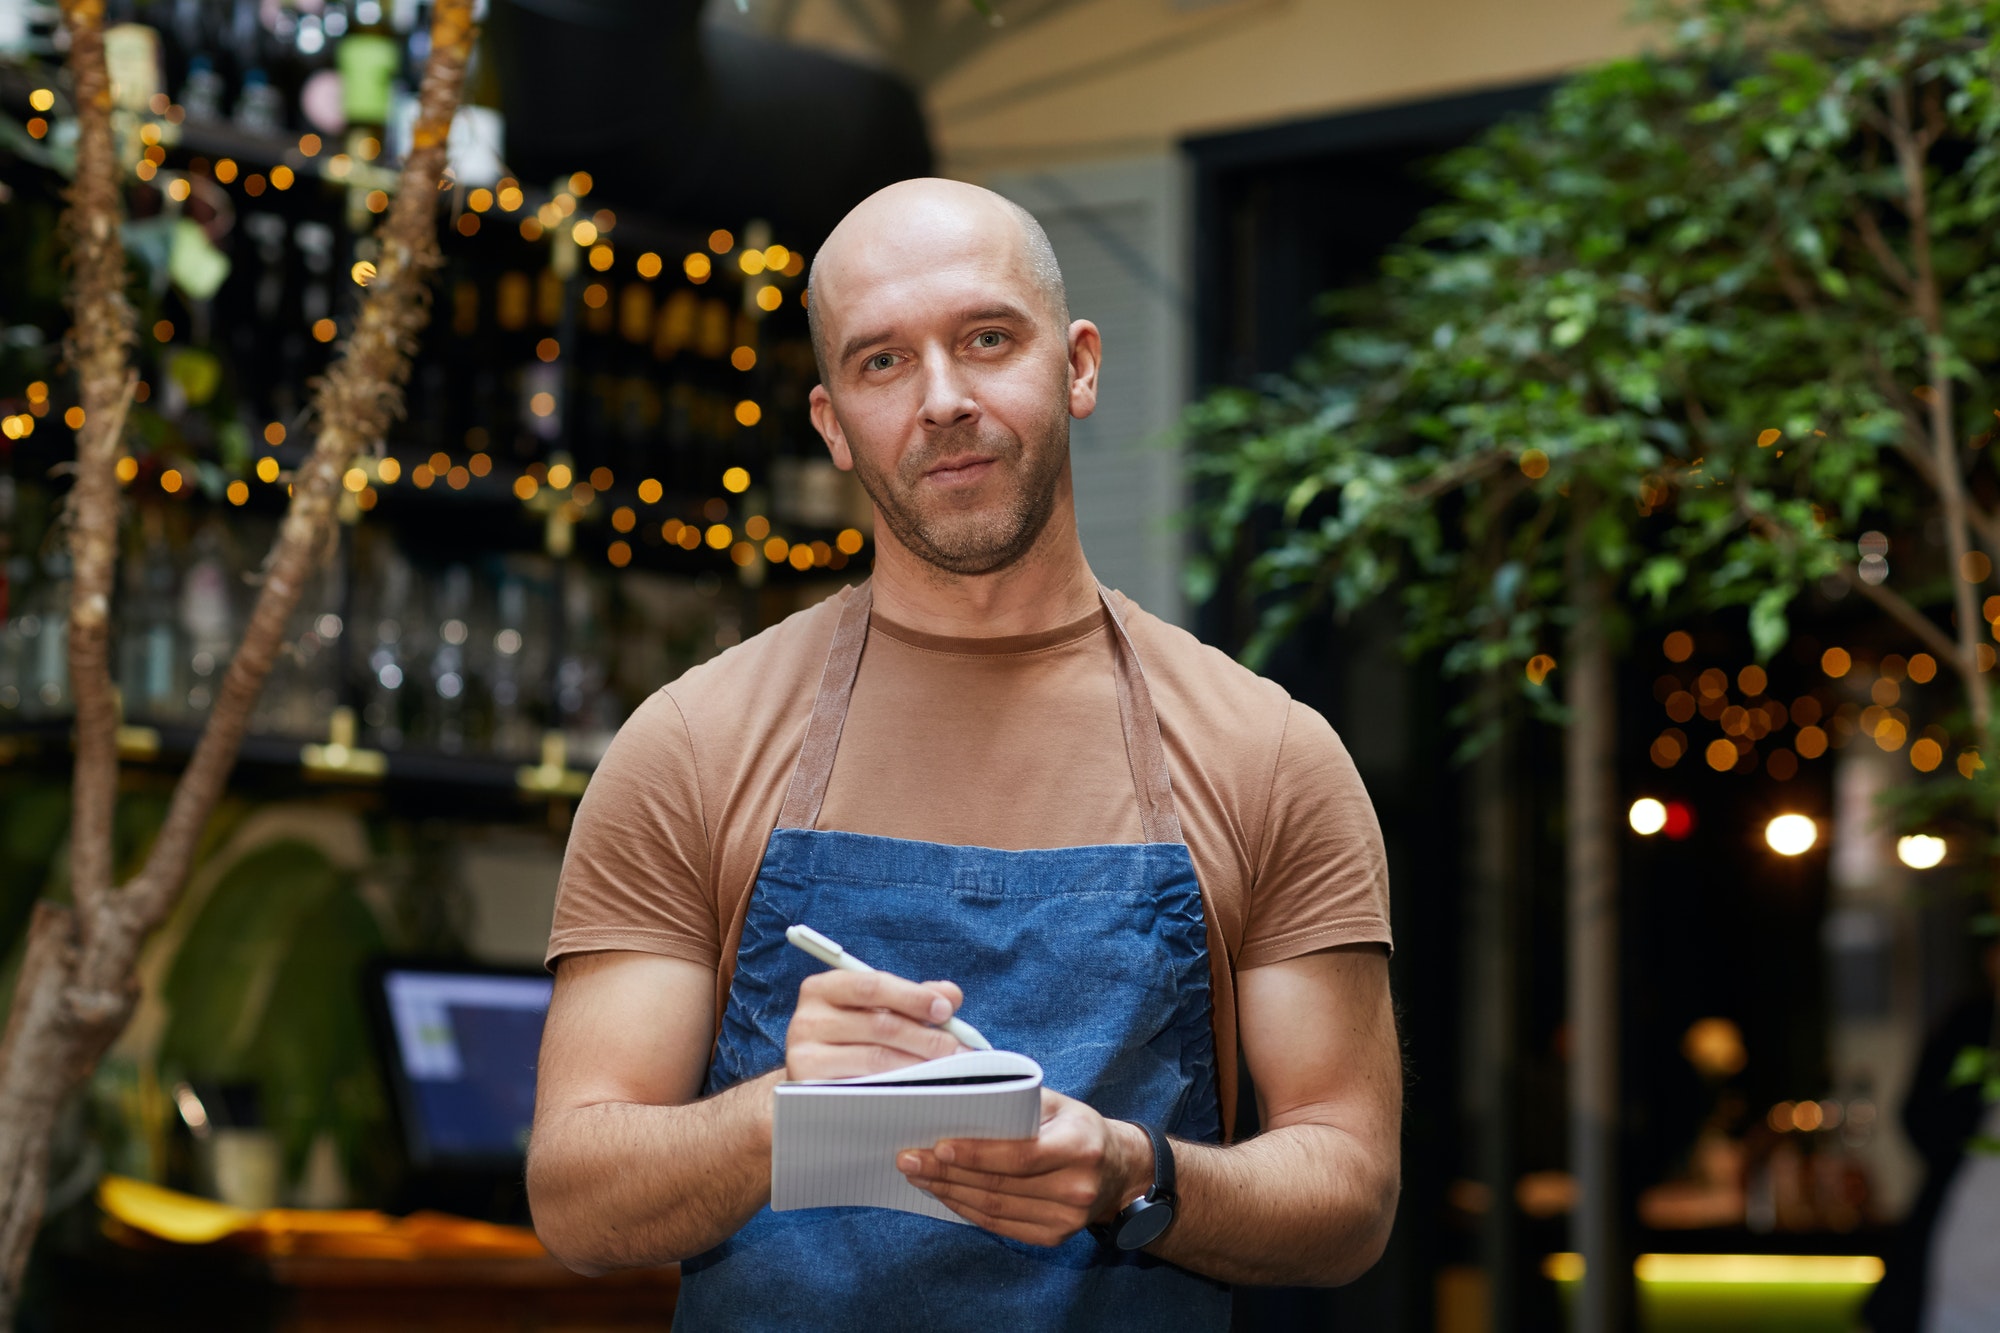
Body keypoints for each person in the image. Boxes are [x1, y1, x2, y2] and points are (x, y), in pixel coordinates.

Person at [526, 178, 1402, 1328]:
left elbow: (1351, 1190)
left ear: (1077, 366)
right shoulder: (693, 744)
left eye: (986, 338)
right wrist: (793, 1108)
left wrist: (1140, 1175)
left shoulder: (1266, 752)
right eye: (881, 362)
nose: (942, 399)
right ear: (832, 423)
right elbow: (577, 1201)